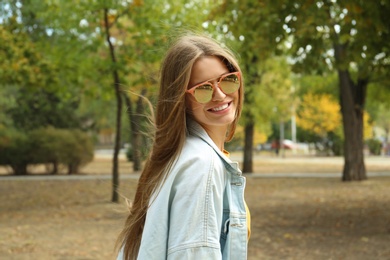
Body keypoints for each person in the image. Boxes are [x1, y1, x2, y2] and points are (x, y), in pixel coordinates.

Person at [116, 33, 250, 259]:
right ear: (182, 100)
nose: (219, 95)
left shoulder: (185, 156)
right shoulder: (201, 165)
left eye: (227, 80)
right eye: (203, 89)